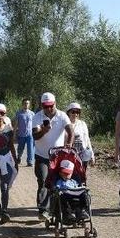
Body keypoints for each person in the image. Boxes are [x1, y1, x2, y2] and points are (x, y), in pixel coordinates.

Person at [32, 92, 74, 221]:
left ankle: (56, 209)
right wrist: (44, 131)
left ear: (55, 103)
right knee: (44, 180)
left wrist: (68, 145)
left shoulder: (62, 116)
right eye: (45, 106)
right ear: (42, 105)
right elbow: (35, 136)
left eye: (50, 105)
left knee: (57, 183)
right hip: (41, 155)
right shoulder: (37, 117)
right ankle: (43, 210)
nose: (48, 109)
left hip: (57, 157)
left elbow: (70, 131)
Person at [54, 159, 90, 223]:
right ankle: (68, 215)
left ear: (71, 174)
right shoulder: (60, 181)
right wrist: (57, 189)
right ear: (60, 173)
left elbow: (78, 187)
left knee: (84, 195)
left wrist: (82, 188)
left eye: (68, 174)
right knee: (62, 198)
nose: (65, 175)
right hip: (65, 195)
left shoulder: (74, 181)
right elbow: (57, 187)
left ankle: (82, 211)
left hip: (75, 194)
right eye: (64, 173)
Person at [66, 102, 94, 173]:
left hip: (82, 154)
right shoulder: (65, 124)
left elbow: (87, 139)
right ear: (68, 112)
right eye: (73, 112)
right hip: (69, 155)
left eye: (77, 112)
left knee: (82, 174)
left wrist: (92, 155)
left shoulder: (82, 124)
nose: (75, 114)